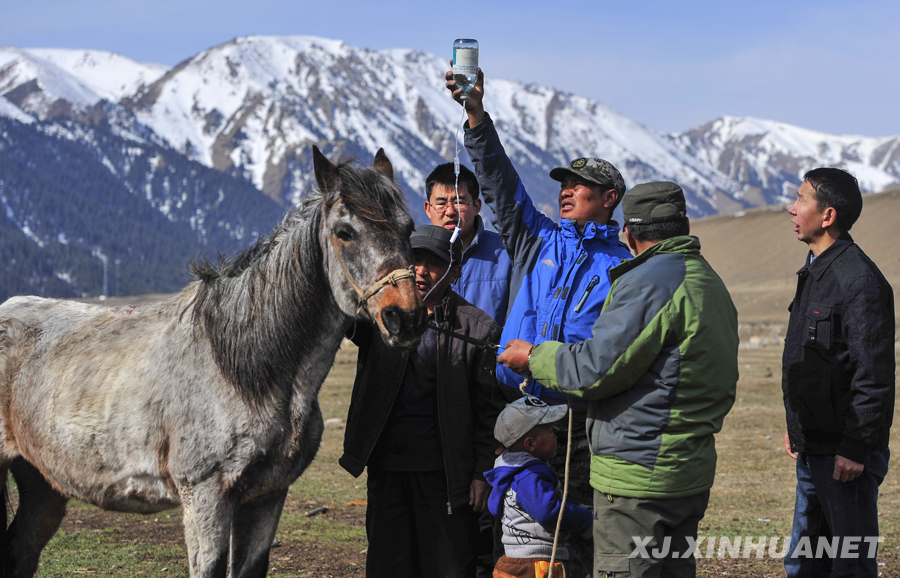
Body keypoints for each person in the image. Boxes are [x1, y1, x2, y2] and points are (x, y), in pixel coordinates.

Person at [497, 181, 739, 577]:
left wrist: (534, 356)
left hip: (637, 480)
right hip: (688, 472)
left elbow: (594, 370)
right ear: (686, 226)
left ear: (629, 232)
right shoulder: (708, 281)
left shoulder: (649, 282)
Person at [447, 67, 633, 577]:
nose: (567, 191)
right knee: (510, 540)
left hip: (577, 426)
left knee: (572, 539)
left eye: (581, 186)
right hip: (515, 413)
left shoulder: (621, 266)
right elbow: (503, 189)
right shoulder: (539, 241)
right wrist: (477, 118)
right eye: (565, 184)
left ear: (609, 198)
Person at [339, 224, 503, 578]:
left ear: (455, 272)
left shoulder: (477, 329)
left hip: (446, 476)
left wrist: (480, 475)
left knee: (447, 568)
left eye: (434, 263)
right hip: (387, 468)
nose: (421, 270)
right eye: (414, 260)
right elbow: (336, 314)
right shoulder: (379, 316)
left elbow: (489, 411)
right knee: (388, 566)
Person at [781, 168, 894, 577]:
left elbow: (874, 374)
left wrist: (856, 447)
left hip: (845, 457)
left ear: (827, 215)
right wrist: (797, 425)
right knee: (805, 564)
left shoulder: (857, 280)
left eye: (801, 200)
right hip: (814, 447)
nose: (791, 209)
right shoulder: (816, 270)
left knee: (849, 565)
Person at [485, 397, 593, 578]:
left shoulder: (511, 469)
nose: (556, 435)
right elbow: (548, 511)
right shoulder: (531, 475)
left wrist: (578, 506)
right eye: (550, 431)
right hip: (537, 567)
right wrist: (586, 519)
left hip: (516, 564)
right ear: (530, 444)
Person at [425, 162, 512, 326]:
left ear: (476, 206)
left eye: (459, 202)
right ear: (428, 209)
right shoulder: (413, 259)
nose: (450, 211)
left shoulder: (506, 256)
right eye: (441, 203)